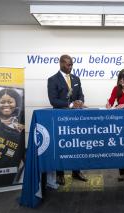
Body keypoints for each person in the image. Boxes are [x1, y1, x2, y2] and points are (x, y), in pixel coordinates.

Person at [47, 54, 87, 186]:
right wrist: (70, 105)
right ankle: (60, 175)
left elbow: (80, 93)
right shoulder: (52, 80)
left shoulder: (76, 78)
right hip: (61, 119)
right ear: (61, 63)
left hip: (76, 119)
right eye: (68, 64)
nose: (70, 67)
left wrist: (80, 101)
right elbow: (53, 101)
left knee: (77, 146)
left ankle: (76, 172)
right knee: (61, 147)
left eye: (72, 64)